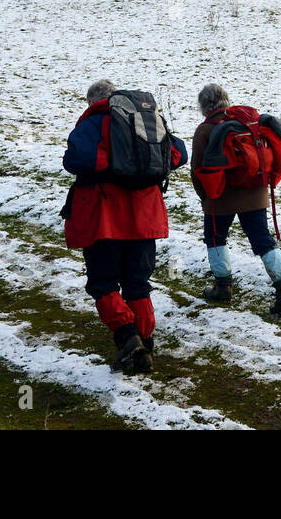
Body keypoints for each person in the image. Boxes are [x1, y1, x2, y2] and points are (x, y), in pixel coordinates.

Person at [63, 80, 186, 374]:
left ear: (92, 101)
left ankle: (128, 339)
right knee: (137, 283)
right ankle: (145, 342)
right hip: (145, 218)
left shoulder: (92, 122)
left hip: (104, 218)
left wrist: (112, 164)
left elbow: (75, 159)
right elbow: (178, 153)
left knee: (102, 283)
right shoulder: (145, 120)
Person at [190, 83, 281, 315]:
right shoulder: (248, 124)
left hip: (220, 197)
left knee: (215, 238)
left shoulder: (205, 130)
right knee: (263, 239)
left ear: (204, 106)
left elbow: (197, 169)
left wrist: (206, 199)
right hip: (256, 192)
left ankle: (223, 287)